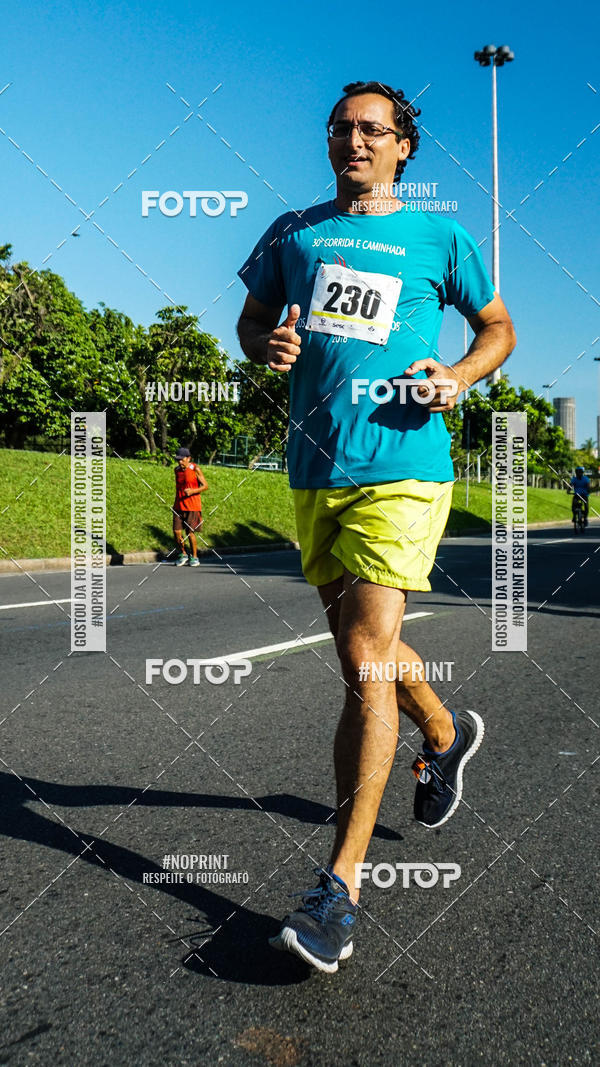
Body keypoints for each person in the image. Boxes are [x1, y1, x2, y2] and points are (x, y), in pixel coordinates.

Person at [237, 80, 516, 973]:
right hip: (317, 469)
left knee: (363, 661)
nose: (352, 140)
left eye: (372, 129)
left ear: (403, 147)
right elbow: (253, 321)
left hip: (404, 466)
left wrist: (461, 375)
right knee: (366, 656)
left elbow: (498, 327)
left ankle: (341, 889)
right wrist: (266, 345)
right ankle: (443, 730)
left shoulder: (440, 236)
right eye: (341, 127)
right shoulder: (293, 231)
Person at [172, 447, 208, 566]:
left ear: (189, 458)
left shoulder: (195, 469)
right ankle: (183, 554)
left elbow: (205, 486)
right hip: (178, 506)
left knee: (190, 533)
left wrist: (193, 491)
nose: (180, 462)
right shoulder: (176, 470)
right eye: (178, 460)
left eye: (182, 460)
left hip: (192, 506)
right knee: (176, 532)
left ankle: (195, 557)